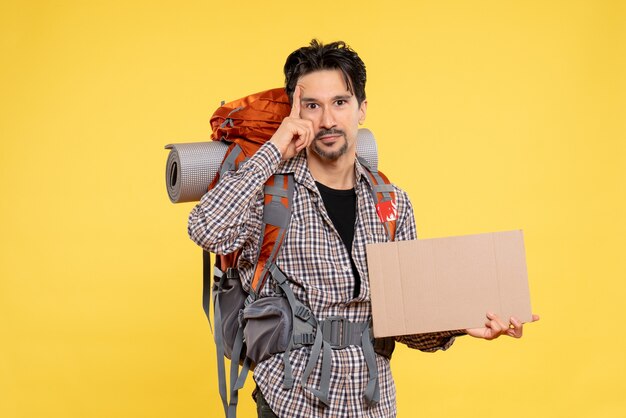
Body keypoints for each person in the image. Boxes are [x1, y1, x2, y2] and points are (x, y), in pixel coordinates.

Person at [188, 39, 539, 418]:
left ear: (362, 110)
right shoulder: (269, 193)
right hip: (291, 404)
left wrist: (462, 323)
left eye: (340, 102)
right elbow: (206, 228)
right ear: (295, 113)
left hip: (373, 406)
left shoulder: (391, 203)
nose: (326, 120)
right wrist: (274, 149)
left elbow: (407, 321)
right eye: (312, 106)